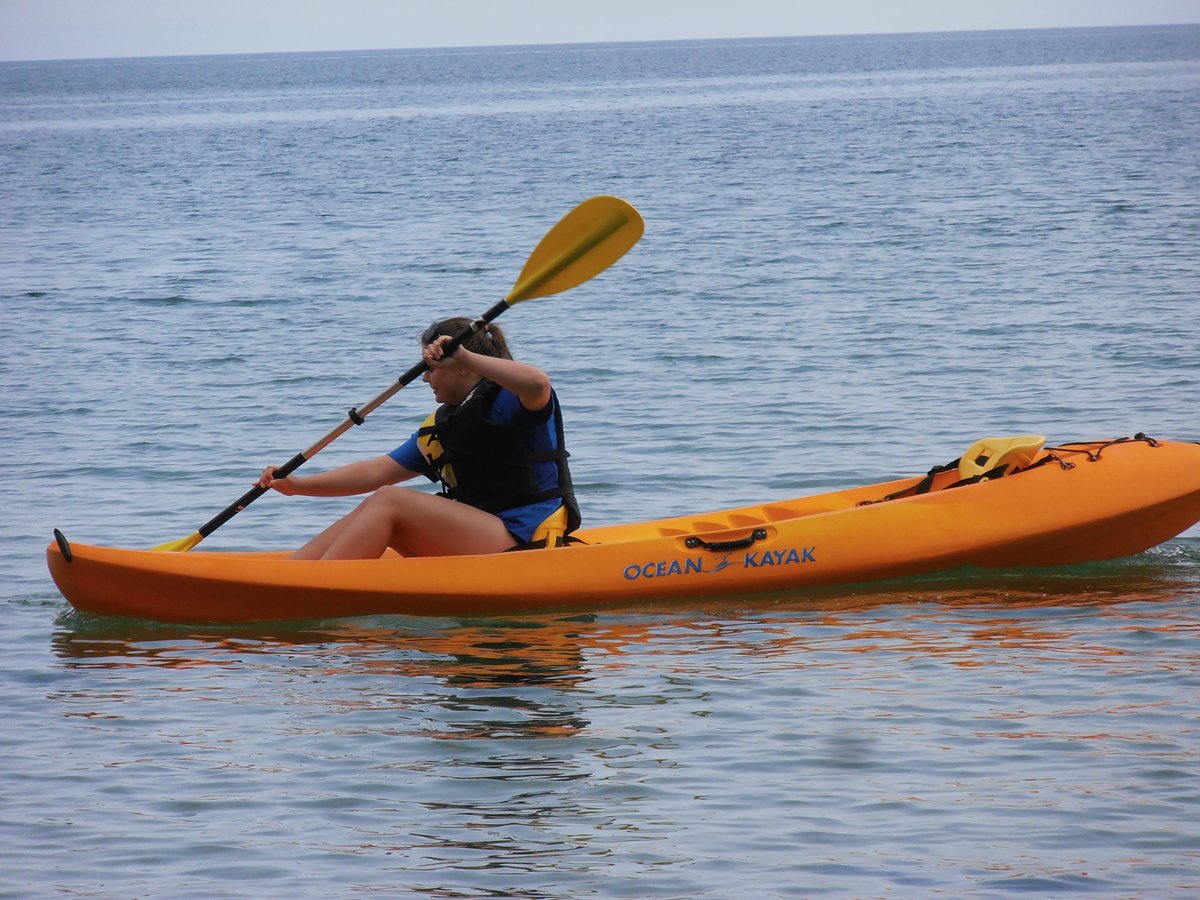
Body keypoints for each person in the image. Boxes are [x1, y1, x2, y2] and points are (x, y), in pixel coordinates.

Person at [258, 317, 580, 560]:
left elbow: (540, 384)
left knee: (390, 501)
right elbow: (375, 472)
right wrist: (299, 486)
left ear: (462, 368)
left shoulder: (510, 398)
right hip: (484, 536)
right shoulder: (444, 425)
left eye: (432, 369)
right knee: (373, 504)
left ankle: (314, 589)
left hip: (526, 537)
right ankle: (296, 571)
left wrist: (465, 356)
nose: (426, 378)